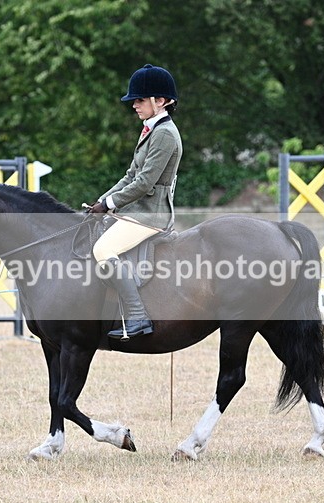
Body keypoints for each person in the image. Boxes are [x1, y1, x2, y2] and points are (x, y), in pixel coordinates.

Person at [87, 64, 182, 341]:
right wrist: (102, 201)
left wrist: (111, 204)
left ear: (160, 101)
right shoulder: (151, 129)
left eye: (139, 100)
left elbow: (145, 183)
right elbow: (130, 175)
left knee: (103, 249)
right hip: (138, 210)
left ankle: (138, 316)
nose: (134, 106)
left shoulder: (165, 134)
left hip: (152, 214)